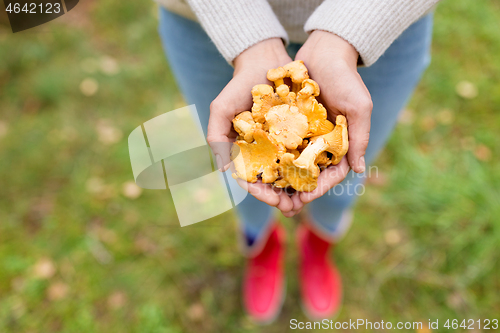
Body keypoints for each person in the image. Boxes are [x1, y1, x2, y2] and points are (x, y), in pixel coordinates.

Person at [157, 0, 439, 323]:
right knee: (239, 180)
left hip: (385, 18)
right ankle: (261, 246)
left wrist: (349, 30)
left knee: (348, 174)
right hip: (208, 18)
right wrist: (246, 33)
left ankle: (318, 247)